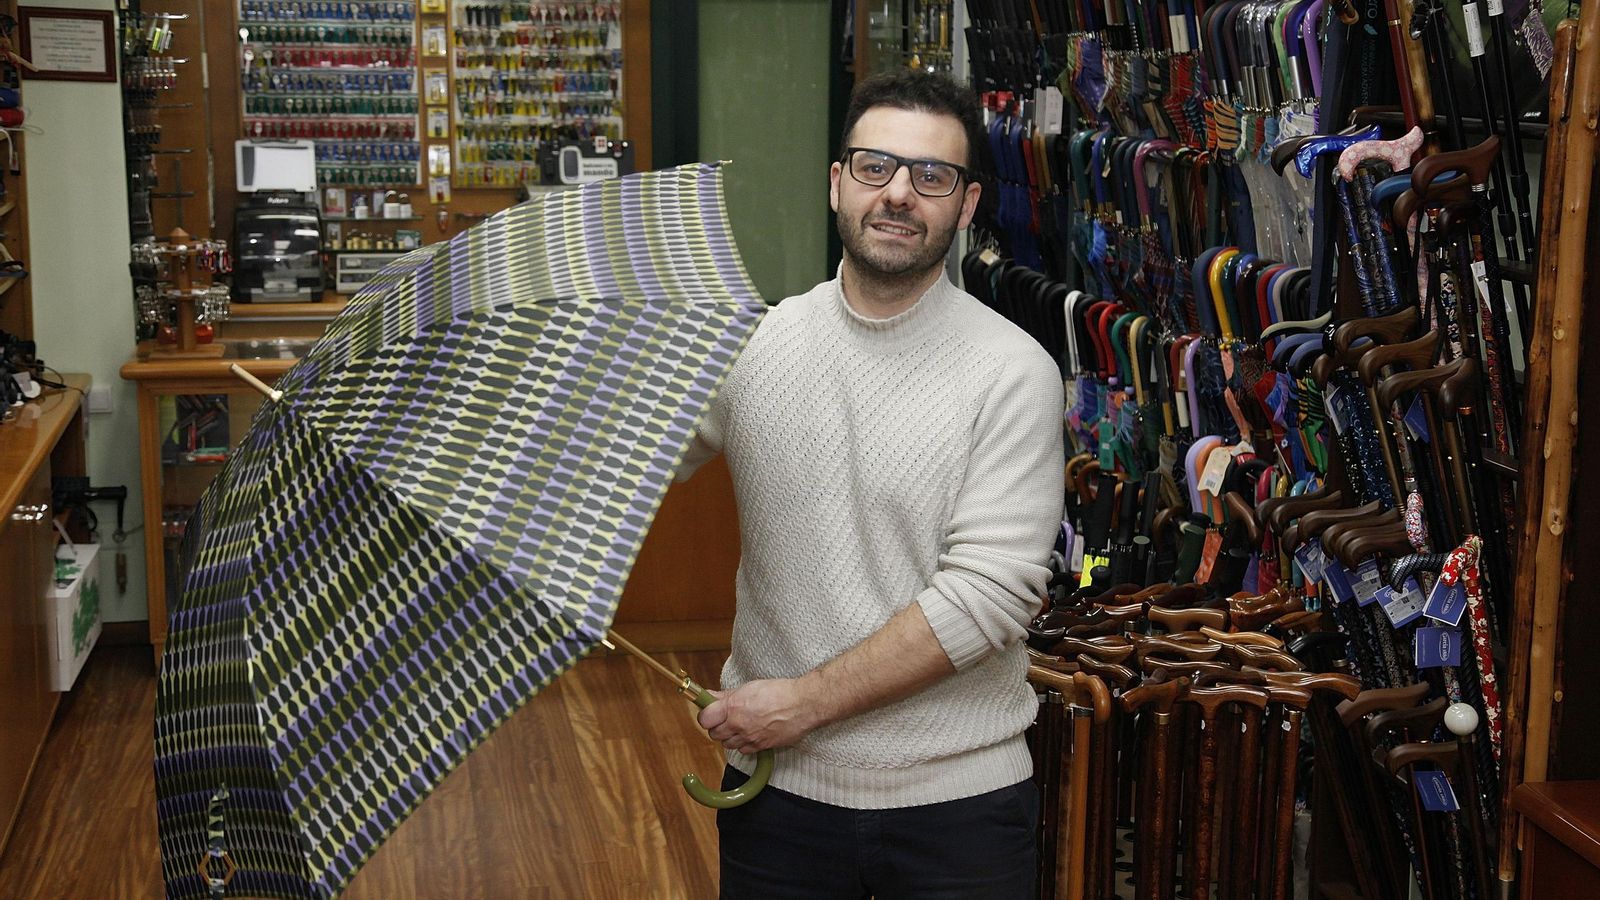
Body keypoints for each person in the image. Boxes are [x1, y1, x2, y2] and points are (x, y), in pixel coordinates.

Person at [675, 69, 1065, 899]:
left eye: (931, 177)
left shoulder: (1012, 372)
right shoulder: (756, 346)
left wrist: (803, 705)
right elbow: (633, 456)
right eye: (874, 168)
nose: (898, 195)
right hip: (776, 802)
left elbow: (989, 596)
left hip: (958, 814)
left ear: (965, 206)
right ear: (836, 184)